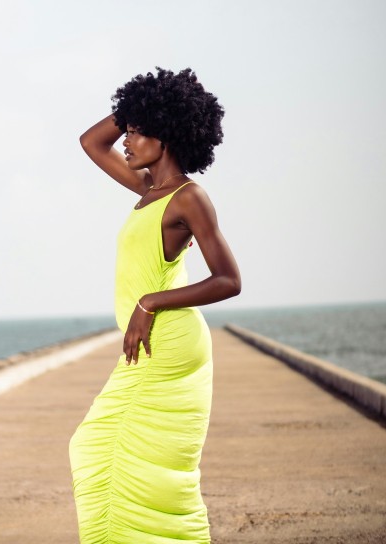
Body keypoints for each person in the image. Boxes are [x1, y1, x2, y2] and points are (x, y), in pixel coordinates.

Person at [69, 67, 241, 543]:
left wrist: (149, 302)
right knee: (112, 459)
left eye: (140, 131)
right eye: (129, 128)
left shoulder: (190, 198)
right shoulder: (149, 192)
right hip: (146, 344)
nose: (127, 138)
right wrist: (140, 105)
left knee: (104, 453)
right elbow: (90, 141)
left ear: (167, 135)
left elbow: (229, 280)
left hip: (165, 340)